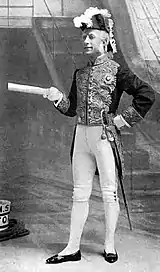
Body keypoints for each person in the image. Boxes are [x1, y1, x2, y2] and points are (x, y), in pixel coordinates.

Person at [44, 7, 155, 264]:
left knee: (109, 193)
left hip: (105, 137)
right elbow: (72, 108)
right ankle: (72, 247)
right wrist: (57, 97)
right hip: (80, 137)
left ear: (105, 39)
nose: (85, 41)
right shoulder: (80, 74)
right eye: (84, 37)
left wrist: (122, 119)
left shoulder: (117, 71)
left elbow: (146, 95)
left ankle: (109, 245)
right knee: (79, 194)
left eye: (91, 36)